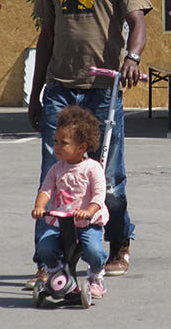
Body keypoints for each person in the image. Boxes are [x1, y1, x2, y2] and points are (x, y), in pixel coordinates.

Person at [27, 0, 152, 288]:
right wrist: (35, 94)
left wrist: (132, 57)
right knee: (53, 174)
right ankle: (48, 262)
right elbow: (46, 36)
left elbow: (138, 22)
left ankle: (118, 243)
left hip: (103, 91)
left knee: (109, 177)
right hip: (61, 91)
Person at [31, 106, 110, 298]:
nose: (56, 146)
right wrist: (40, 206)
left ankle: (95, 277)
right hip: (60, 222)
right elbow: (46, 189)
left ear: (81, 147)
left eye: (63, 143)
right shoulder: (57, 168)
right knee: (45, 247)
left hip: (86, 223)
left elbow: (99, 196)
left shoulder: (92, 168)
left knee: (93, 250)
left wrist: (89, 211)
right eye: (56, 141)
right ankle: (56, 272)